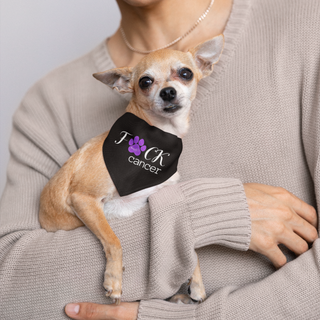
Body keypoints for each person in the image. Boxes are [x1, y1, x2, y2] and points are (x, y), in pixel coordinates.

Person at [0, 0, 319, 319]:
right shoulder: (48, 103)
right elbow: (11, 293)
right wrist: (201, 214)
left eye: (182, 74)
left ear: (203, 66)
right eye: (147, 82)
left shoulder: (305, 25)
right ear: (126, 86)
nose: (167, 89)